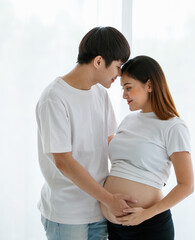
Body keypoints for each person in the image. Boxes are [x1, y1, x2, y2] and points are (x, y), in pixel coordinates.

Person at [36, 26, 137, 240]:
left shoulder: (100, 94)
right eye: (118, 67)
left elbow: (111, 142)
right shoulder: (54, 98)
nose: (119, 75)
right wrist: (109, 198)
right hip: (67, 215)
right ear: (99, 61)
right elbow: (64, 161)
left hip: (98, 209)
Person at [101, 55, 194, 240]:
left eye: (128, 88)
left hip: (148, 227)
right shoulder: (128, 121)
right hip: (113, 227)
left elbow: (187, 186)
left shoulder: (173, 126)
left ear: (149, 86)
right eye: (122, 89)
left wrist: (145, 214)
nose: (124, 95)